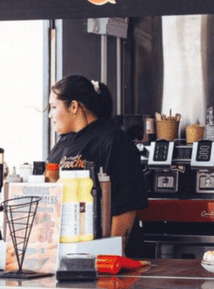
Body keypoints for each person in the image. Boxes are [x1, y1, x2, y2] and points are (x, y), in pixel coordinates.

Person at [47, 75, 147, 252]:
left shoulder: (114, 141)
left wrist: (113, 254)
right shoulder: (62, 143)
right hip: (70, 250)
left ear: (74, 106)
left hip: (105, 255)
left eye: (54, 107)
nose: (50, 115)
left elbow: (126, 205)